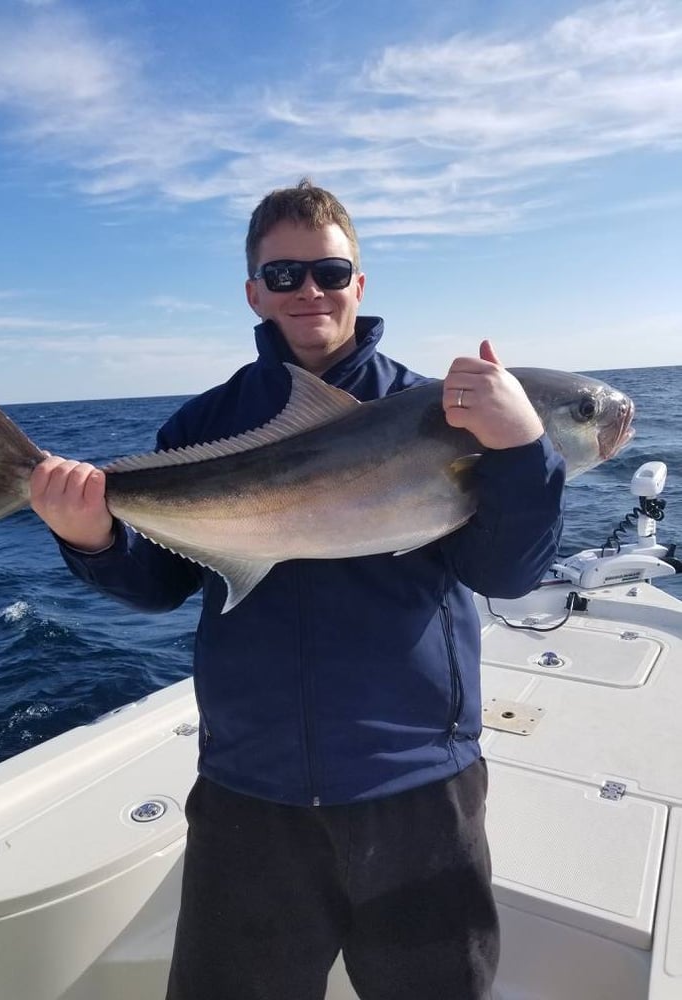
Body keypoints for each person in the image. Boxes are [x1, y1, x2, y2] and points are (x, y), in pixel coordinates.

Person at [30, 180, 565, 1000]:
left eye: (329, 271)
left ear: (360, 282)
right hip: (251, 791)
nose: (308, 291)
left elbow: (506, 573)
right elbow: (161, 584)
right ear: (253, 291)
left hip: (416, 784)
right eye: (284, 276)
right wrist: (93, 537)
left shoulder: (451, 413)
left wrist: (524, 450)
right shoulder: (203, 427)